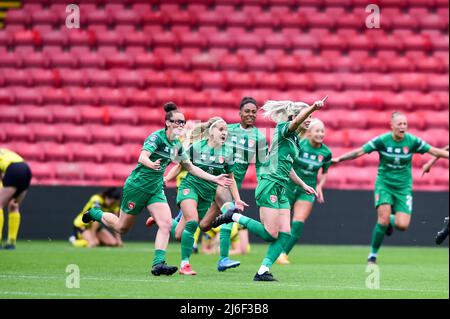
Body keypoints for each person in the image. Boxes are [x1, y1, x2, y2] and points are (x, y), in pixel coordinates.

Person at [82, 102, 233, 276]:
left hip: (155, 189)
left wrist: (214, 178)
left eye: (183, 122)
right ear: (168, 123)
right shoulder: (157, 137)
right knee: (122, 228)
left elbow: (189, 167)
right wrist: (151, 164)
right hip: (137, 186)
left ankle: (158, 263)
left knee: (166, 223)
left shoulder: (177, 145)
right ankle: (95, 213)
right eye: (177, 122)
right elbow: (142, 157)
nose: (181, 125)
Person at [147, 96, 268, 272]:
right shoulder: (218, 135)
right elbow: (185, 162)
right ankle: (216, 259)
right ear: (239, 113)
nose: (250, 114)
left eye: (254, 112)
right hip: (208, 183)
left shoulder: (258, 138)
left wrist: (253, 189)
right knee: (226, 211)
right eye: (247, 111)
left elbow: (258, 166)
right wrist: (166, 178)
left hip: (224, 184)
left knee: (197, 227)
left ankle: (166, 221)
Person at [213, 97, 326, 281]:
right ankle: (233, 216)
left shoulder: (295, 139)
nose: (309, 120)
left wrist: (303, 184)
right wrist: (313, 107)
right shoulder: (284, 129)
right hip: (270, 183)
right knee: (270, 234)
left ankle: (263, 271)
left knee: (285, 235)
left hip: (281, 187)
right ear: (294, 116)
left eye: (311, 117)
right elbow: (296, 122)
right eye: (308, 116)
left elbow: (287, 166)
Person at [331, 111, 449, 264]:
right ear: (392, 125)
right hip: (384, 184)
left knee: (402, 225)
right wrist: (340, 158)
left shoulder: (411, 141)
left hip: (403, 187)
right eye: (399, 124)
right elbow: (360, 151)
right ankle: (372, 254)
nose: (403, 127)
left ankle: (390, 221)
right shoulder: (383, 140)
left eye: (405, 124)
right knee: (382, 220)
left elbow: (434, 150)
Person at [170, 116, 247, 275]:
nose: (224, 132)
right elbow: (180, 166)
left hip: (207, 193)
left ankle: (163, 221)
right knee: (192, 222)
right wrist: (165, 178)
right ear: (211, 132)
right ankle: (185, 264)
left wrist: (238, 199)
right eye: (221, 129)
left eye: (226, 130)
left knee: (179, 234)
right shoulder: (197, 147)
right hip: (190, 186)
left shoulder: (228, 153)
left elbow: (230, 178)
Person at [277, 118, 332, 265]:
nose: (320, 134)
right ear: (309, 132)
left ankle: (283, 254)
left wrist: (320, 186)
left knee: (299, 222)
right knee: (281, 222)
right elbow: (287, 162)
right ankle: (275, 249)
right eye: (317, 131)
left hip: (307, 190)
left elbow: (325, 171)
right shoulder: (300, 145)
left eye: (322, 131)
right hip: (289, 186)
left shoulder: (326, 152)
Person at [0, 148, 32, 250]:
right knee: (14, 206)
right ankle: (11, 242)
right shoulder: (4, 151)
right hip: (26, 168)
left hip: (13, 169)